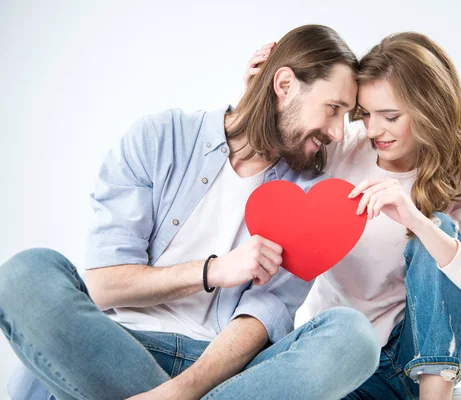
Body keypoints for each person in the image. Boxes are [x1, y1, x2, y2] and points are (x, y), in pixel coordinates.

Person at [0, 25, 381, 400]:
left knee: (353, 338)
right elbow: (104, 285)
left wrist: (180, 391)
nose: (336, 133)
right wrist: (213, 270)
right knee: (25, 274)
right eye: (333, 109)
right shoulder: (160, 138)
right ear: (283, 86)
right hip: (118, 347)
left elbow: (264, 316)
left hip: (224, 372)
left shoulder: (307, 195)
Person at [247, 32, 461, 400]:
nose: (373, 130)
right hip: (348, 357)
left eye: (390, 116)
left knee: (438, 228)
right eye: (366, 114)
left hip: (414, 359)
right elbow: (275, 159)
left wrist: (417, 221)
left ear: (429, 111)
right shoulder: (345, 149)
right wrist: (260, 94)